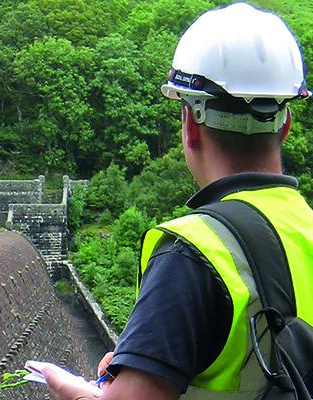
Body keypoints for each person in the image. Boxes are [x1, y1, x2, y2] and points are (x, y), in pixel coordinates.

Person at [42, 3, 312, 400]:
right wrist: (147, 358)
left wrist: (78, 393)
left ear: (189, 125)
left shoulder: (193, 252)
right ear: (285, 126)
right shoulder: (305, 228)